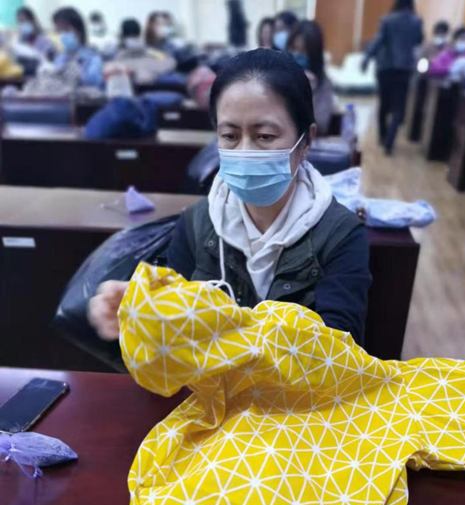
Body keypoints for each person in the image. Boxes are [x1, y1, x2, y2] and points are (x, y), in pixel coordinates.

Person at [88, 48, 371, 346]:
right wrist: (142, 313)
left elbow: (338, 351)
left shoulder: (340, 234)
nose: (245, 151)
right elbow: (174, 330)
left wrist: (225, 334)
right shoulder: (197, 223)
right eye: (230, 136)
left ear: (306, 142)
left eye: (265, 136)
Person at [362, 0, 423, 155]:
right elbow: (419, 40)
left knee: (383, 104)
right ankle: (390, 141)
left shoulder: (388, 20)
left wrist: (367, 58)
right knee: (398, 108)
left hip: (385, 68)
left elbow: (379, 40)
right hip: (404, 70)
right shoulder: (416, 21)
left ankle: (382, 137)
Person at [287, 20, 335, 135]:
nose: (297, 55)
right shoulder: (277, 75)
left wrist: (310, 94)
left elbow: (321, 124)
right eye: (294, 49)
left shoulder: (323, 84)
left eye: (303, 52)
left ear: (314, 55)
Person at [111, 18, 175, 85]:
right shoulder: (152, 52)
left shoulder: (115, 56)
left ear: (122, 34)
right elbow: (170, 61)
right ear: (139, 32)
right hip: (158, 86)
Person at [52, 7, 104, 88]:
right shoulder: (59, 58)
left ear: (79, 30)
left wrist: (76, 73)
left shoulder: (92, 58)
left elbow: (94, 84)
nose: (63, 35)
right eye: (59, 31)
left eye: (66, 30)